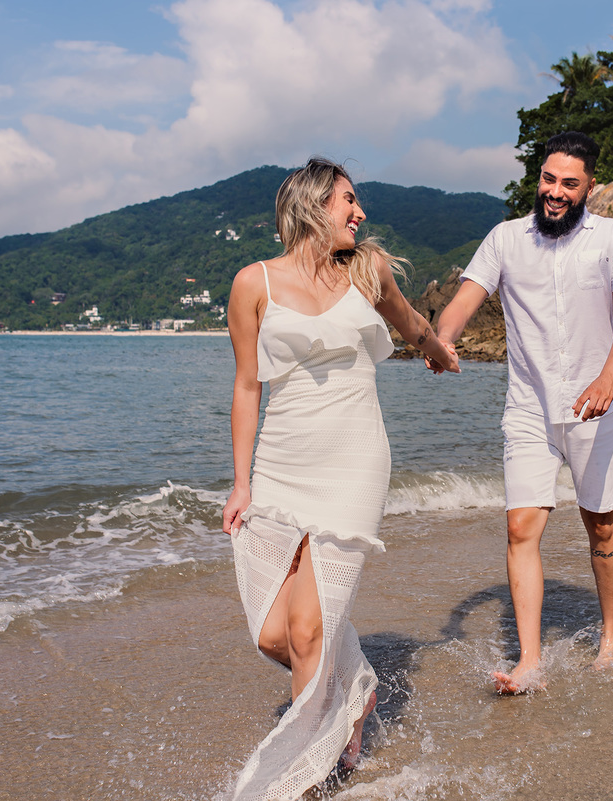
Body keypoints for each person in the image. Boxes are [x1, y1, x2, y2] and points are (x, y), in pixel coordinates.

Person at [221, 157, 459, 799]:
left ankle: (307, 775)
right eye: (348, 200)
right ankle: (355, 687)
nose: (360, 212)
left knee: (308, 629)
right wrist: (241, 482)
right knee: (275, 633)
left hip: (355, 460)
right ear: (311, 205)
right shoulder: (253, 284)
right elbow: (246, 387)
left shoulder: (367, 268)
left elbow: (409, 323)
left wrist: (436, 350)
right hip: (282, 462)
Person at [432, 131, 613, 694]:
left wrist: (607, 378)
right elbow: (463, 301)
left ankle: (610, 638)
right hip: (528, 407)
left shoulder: (612, 237)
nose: (555, 192)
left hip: (594, 406)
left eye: (569, 184)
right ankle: (530, 661)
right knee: (520, 527)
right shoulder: (506, 238)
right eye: (548, 179)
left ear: (589, 187)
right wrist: (442, 339)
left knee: (600, 522)